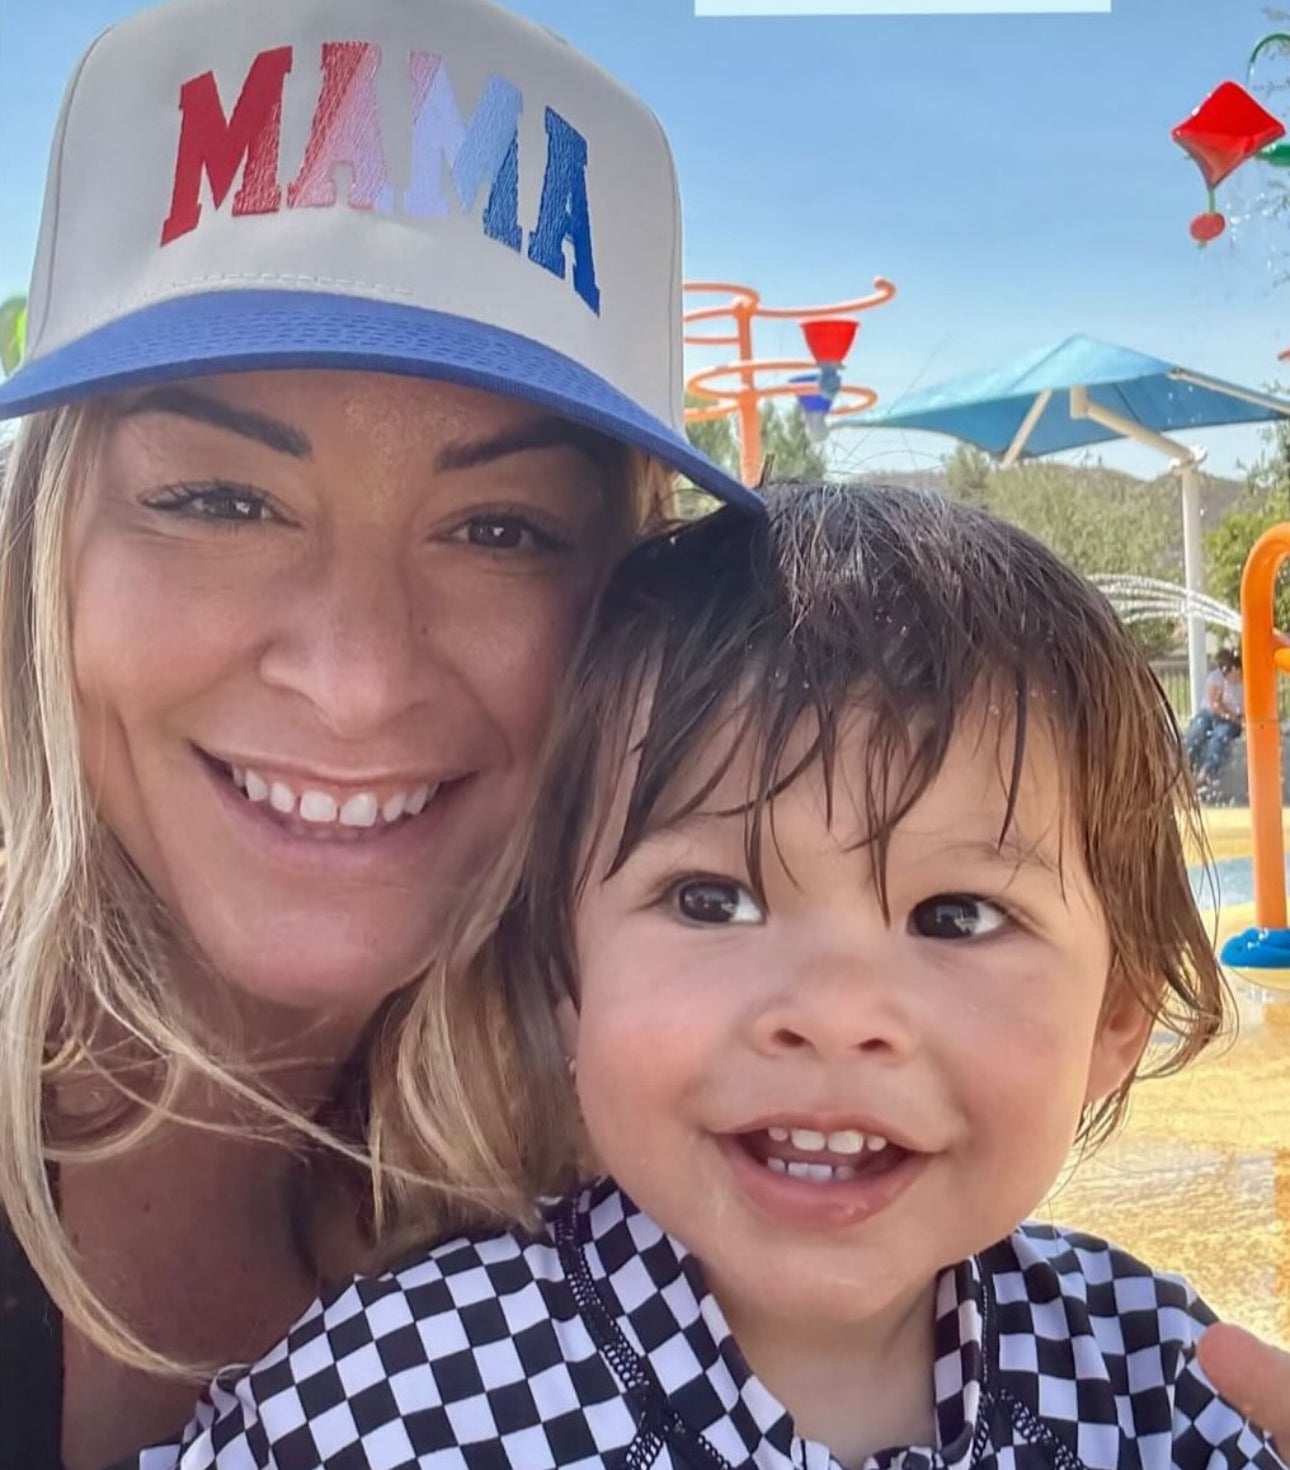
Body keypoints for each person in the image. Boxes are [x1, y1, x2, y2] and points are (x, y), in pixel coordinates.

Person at [148, 485, 1287, 1470]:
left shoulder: (1159, 1387)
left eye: (956, 916)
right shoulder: (396, 1402)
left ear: (1120, 1013)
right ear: (566, 977)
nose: (835, 1015)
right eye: (711, 901)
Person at [0, 1, 757, 1466]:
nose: (354, 678)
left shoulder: (719, 1143)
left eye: (499, 527)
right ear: (49, 545)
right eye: (220, 500)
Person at [1184, 648, 1245, 794]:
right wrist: (1229, 715)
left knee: (1221, 736)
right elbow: (1215, 705)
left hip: (1231, 719)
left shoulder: (1247, 682)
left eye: (1231, 672)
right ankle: (1184, 767)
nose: (1229, 676)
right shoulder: (1217, 677)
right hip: (1212, 714)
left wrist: (1235, 718)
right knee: (1197, 730)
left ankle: (1205, 774)